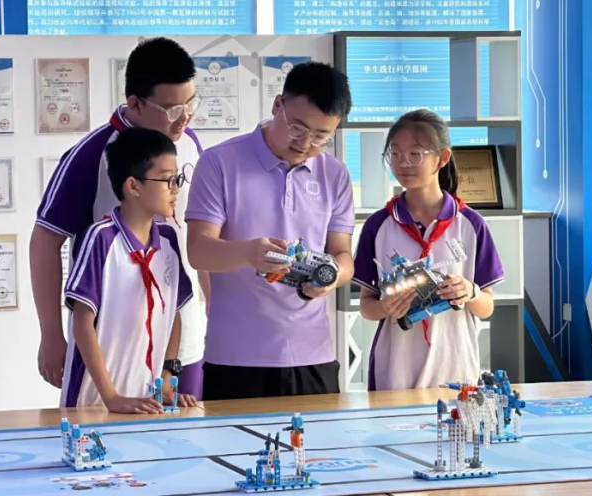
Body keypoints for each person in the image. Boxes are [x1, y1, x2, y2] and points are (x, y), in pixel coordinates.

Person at [31, 37, 209, 399]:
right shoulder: (93, 154)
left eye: (191, 103)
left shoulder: (189, 143)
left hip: (178, 332)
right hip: (110, 341)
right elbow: (44, 241)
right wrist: (51, 334)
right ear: (135, 102)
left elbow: (198, 233)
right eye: (172, 109)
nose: (184, 117)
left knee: (182, 426)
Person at [185, 62, 355, 400]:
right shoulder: (220, 163)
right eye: (298, 128)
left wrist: (331, 278)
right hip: (236, 356)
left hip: (313, 355)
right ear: (278, 105)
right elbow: (198, 251)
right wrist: (249, 253)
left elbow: (343, 256)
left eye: (321, 136)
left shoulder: (335, 174)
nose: (306, 143)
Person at [353, 109, 505, 390]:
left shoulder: (471, 224)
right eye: (395, 153)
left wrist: (470, 292)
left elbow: (486, 307)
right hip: (396, 370)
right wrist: (386, 306)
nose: (403, 163)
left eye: (415, 154)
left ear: (442, 158)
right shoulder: (378, 225)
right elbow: (366, 306)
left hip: (455, 367)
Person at [61, 127, 197, 412]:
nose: (176, 190)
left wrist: (167, 379)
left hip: (145, 401)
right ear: (133, 186)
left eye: (178, 179)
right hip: (94, 401)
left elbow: (173, 314)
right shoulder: (101, 238)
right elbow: (82, 323)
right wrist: (112, 398)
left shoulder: (169, 240)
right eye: (168, 180)